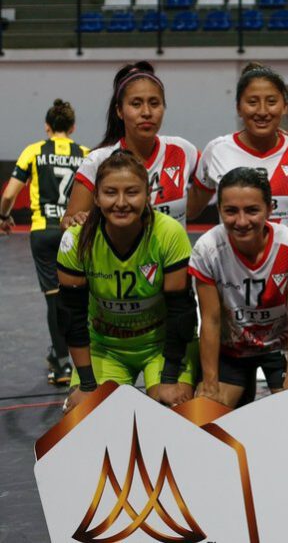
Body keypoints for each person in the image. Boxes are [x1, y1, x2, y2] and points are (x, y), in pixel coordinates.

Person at [56, 151, 197, 413]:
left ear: (147, 196)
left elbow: (182, 313)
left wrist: (168, 381)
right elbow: (71, 317)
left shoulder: (169, 233)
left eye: (132, 192)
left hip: (162, 345)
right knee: (87, 416)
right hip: (106, 347)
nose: (121, 202)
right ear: (96, 197)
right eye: (110, 193)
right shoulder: (76, 240)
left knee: (173, 412)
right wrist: (87, 384)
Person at [188, 168, 288, 407]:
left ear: (270, 209)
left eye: (252, 210)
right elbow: (210, 320)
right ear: (219, 209)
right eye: (231, 211)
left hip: (279, 348)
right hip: (231, 350)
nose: (241, 222)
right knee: (206, 414)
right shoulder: (207, 248)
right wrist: (210, 384)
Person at [0, 99, 88, 385]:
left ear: (47, 128)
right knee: (82, 297)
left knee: (54, 298)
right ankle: (88, 361)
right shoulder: (86, 154)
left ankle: (62, 364)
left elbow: (9, 195)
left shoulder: (34, 151)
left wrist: (3, 216)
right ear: (72, 127)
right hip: (76, 231)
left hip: (44, 232)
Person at [188, 63, 288, 234]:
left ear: (285, 106)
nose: (262, 111)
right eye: (252, 102)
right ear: (238, 107)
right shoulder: (216, 151)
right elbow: (190, 210)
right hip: (231, 260)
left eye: (271, 102)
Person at [63, 62, 198, 228]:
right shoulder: (97, 161)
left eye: (154, 103)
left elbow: (210, 180)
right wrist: (75, 222)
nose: (147, 112)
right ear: (119, 110)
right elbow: (68, 225)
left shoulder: (183, 150)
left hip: (175, 255)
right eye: (136, 104)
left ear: (164, 107)